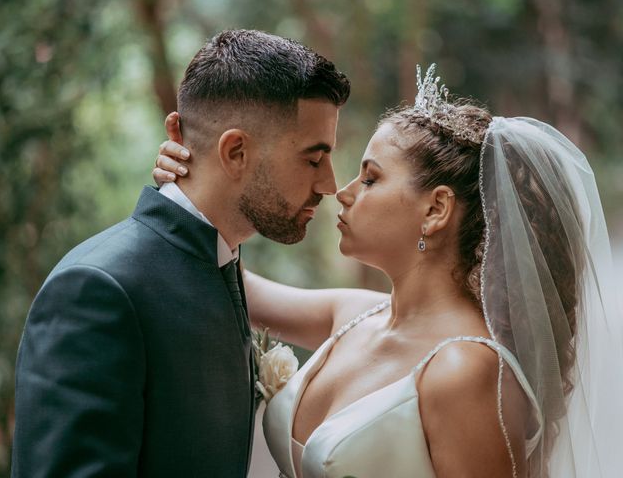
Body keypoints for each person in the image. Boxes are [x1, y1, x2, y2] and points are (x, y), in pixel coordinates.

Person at [154, 64, 623, 477]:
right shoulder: (354, 313)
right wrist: (191, 184)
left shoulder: (466, 371)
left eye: (372, 177)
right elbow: (231, 279)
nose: (343, 191)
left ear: (436, 209)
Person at [11, 29, 350, 477]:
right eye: (313, 159)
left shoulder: (219, 266)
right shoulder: (98, 289)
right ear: (235, 152)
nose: (329, 184)